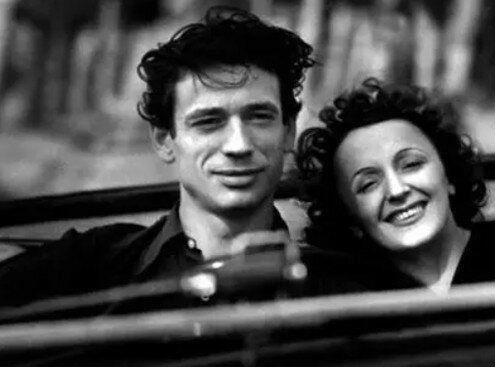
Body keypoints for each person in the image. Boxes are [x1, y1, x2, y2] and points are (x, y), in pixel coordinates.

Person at [0, 6, 317, 311]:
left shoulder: (334, 284)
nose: (239, 145)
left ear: (289, 131)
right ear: (164, 140)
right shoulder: (90, 268)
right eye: (208, 122)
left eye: (259, 117)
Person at [297, 78, 495, 294]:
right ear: (349, 217)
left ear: (450, 176)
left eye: (411, 164)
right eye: (368, 184)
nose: (397, 191)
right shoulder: (345, 299)